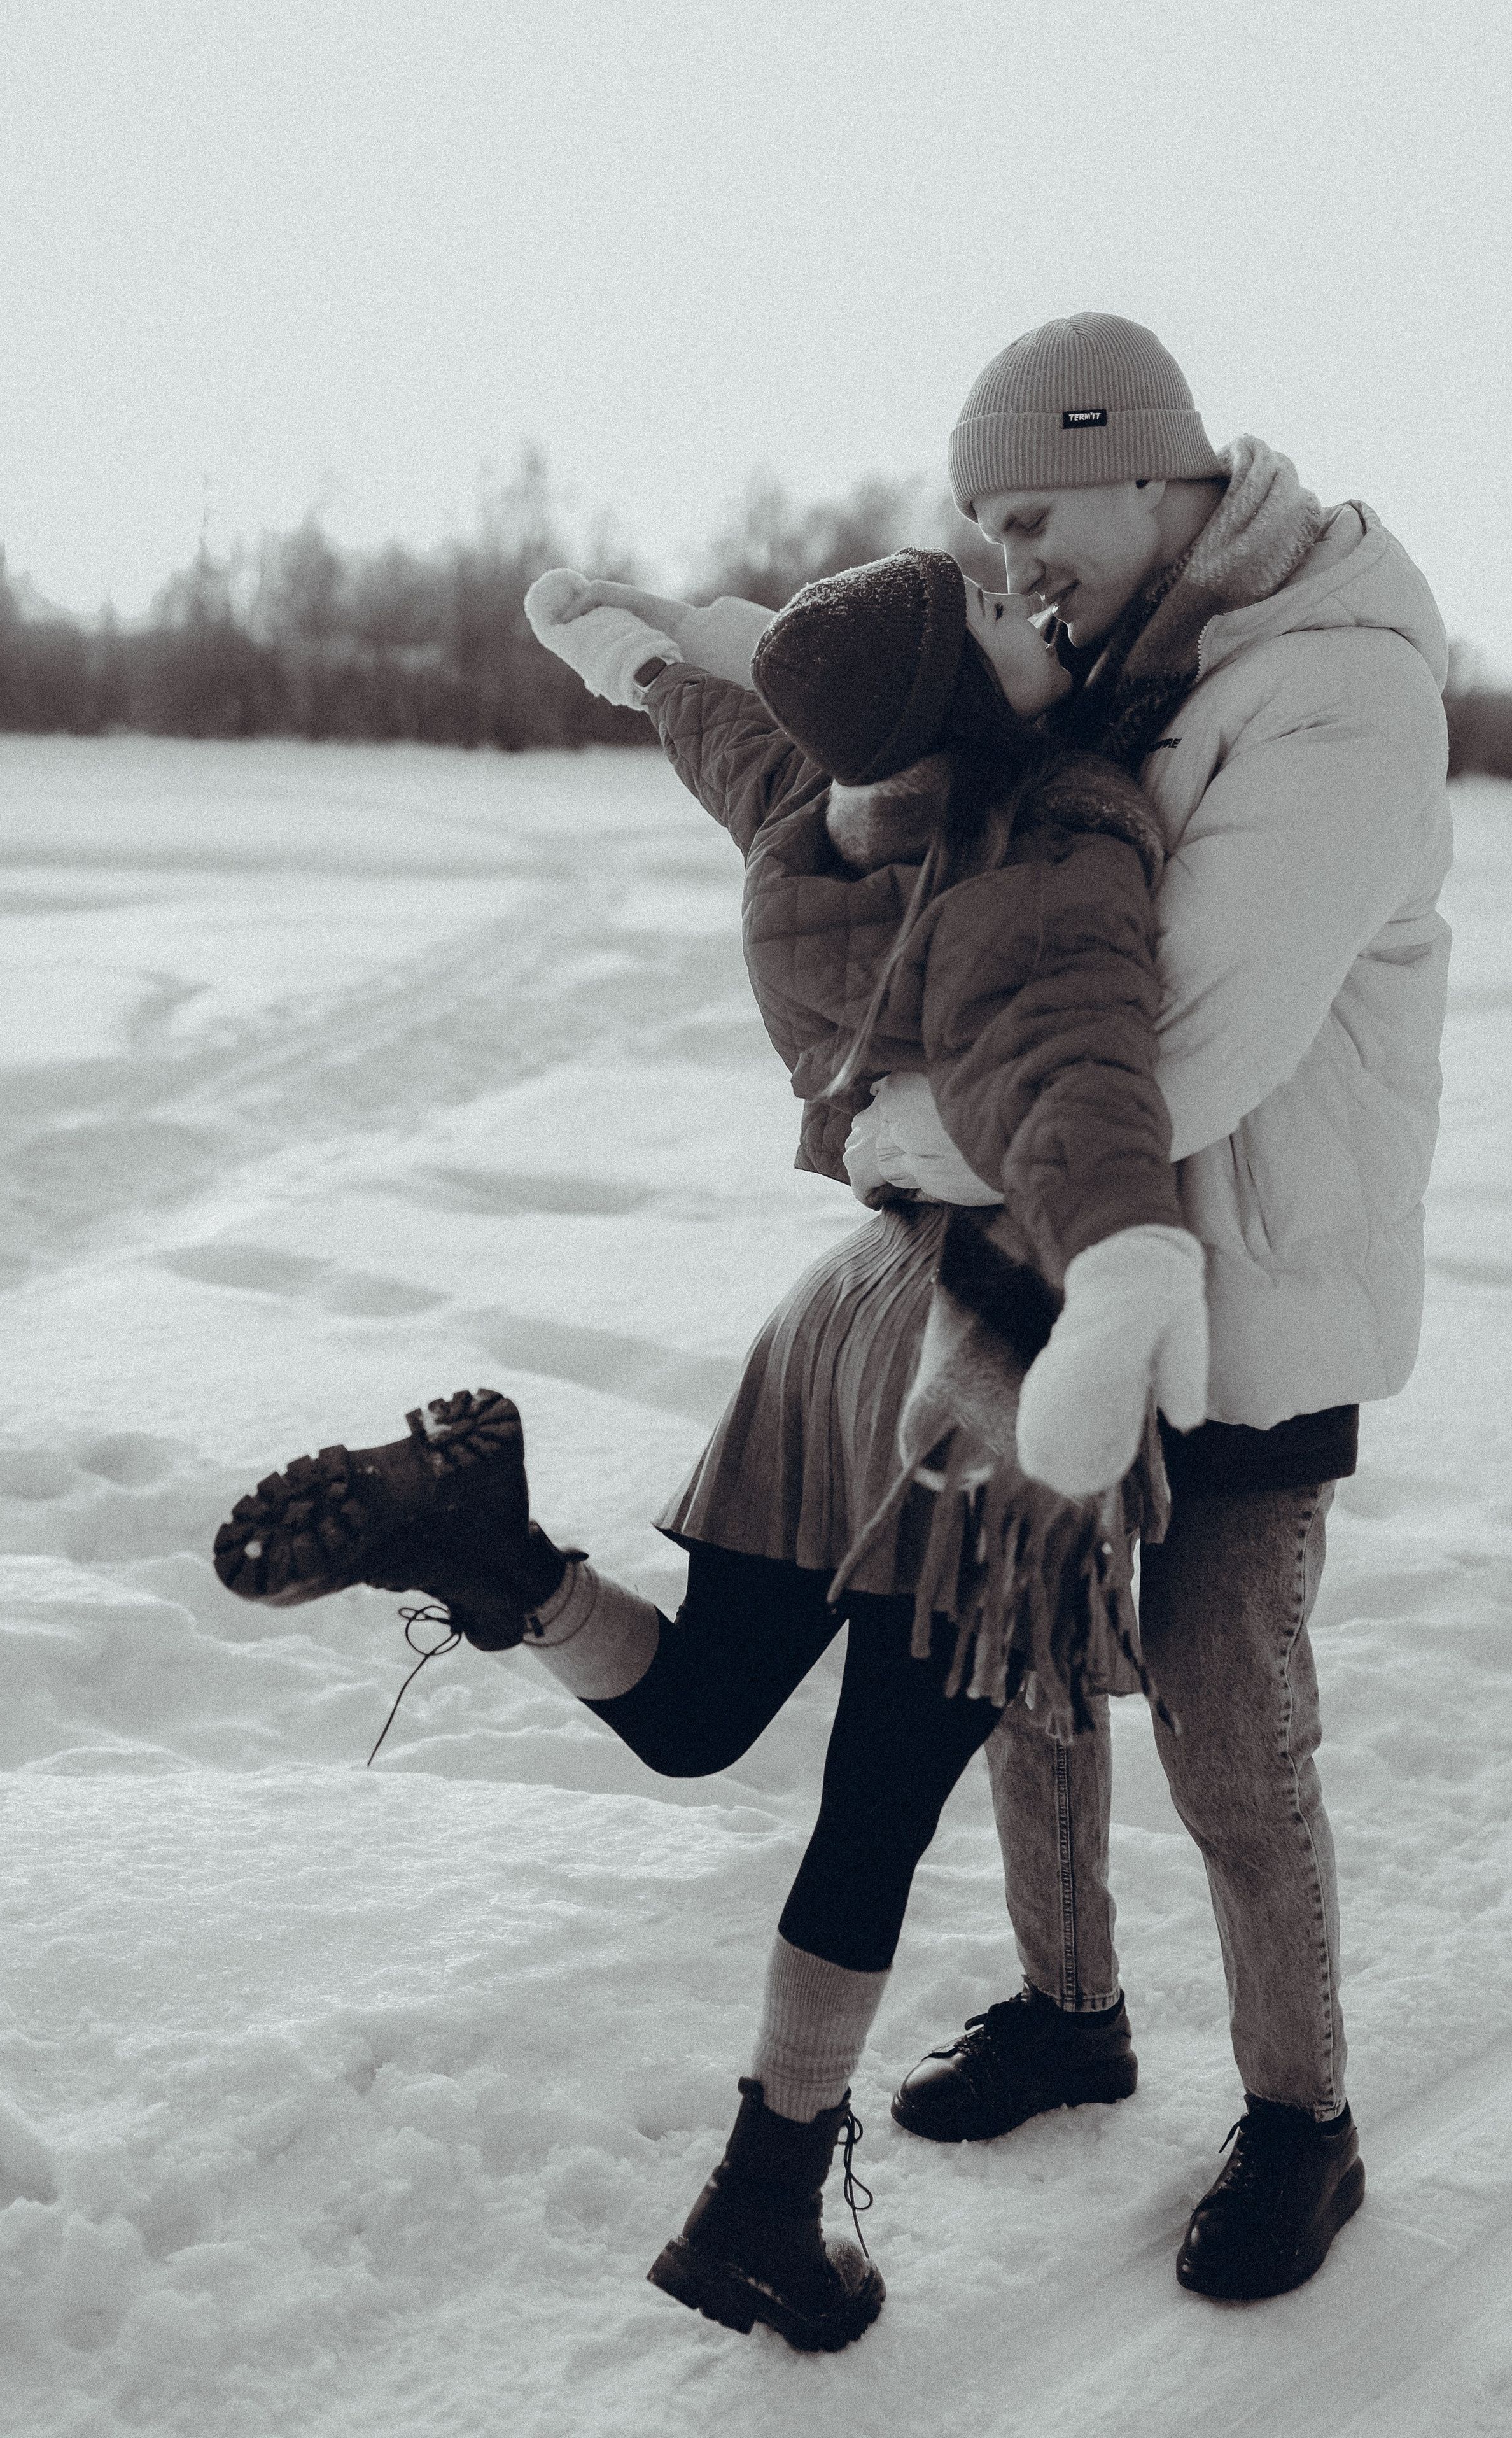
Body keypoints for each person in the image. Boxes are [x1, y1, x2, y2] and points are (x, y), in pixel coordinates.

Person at [210, 543, 1210, 2350]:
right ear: (970, 712)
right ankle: (763, 2198)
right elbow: (1074, 1073)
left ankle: (494, 1556)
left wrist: (638, 648)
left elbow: (729, 734)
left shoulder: (810, 824)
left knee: (699, 1716)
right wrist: (1133, 1264)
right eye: (995, 615)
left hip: (838, 1315)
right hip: (982, 1352)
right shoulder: (1034, 839)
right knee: (878, 1809)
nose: (1025, 598)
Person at [562, 312, 1452, 2306]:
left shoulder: (1329, 696)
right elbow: (875, 763)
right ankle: (1074, 2015)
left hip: (1251, 1290)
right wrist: (712, 671)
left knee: (1227, 1724)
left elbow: (1181, 1047)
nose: (1011, 555)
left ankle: (1303, 2119)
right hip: (1059, 1290)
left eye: (1031, 510)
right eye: (979, 528)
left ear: (1151, 468)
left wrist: (883, 1111)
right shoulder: (1127, 651)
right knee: (1032, 1673)